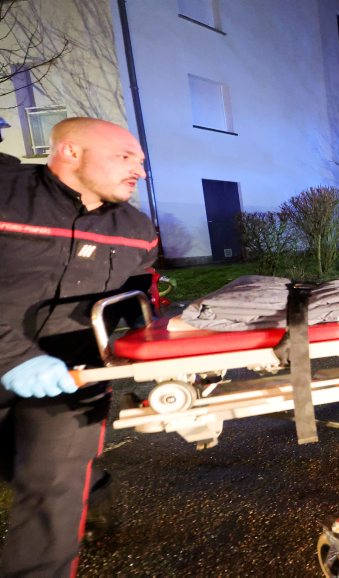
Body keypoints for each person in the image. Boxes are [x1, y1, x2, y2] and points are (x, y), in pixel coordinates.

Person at [0, 118, 158, 575]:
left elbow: (137, 292)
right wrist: (13, 357)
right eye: (125, 157)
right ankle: (96, 489)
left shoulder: (136, 228)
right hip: (11, 353)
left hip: (72, 372)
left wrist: (160, 348)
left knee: (52, 483)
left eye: (140, 161)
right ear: (70, 152)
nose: (140, 171)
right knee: (14, 462)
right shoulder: (9, 196)